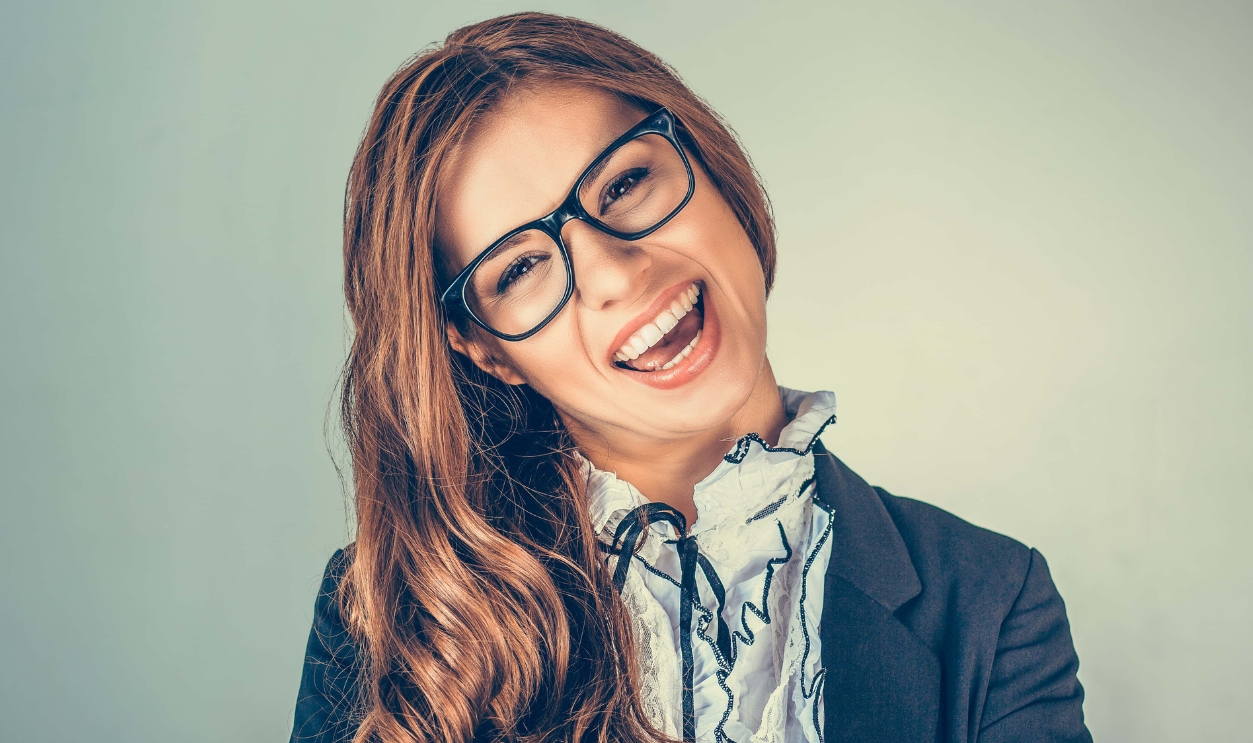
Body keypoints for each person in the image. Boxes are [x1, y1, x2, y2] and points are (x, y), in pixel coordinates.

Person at [290, 12, 1091, 743]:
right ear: (487, 350)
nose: (612, 271)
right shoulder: (385, 613)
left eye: (625, 182)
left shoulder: (992, 599)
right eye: (523, 266)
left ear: (710, 164)